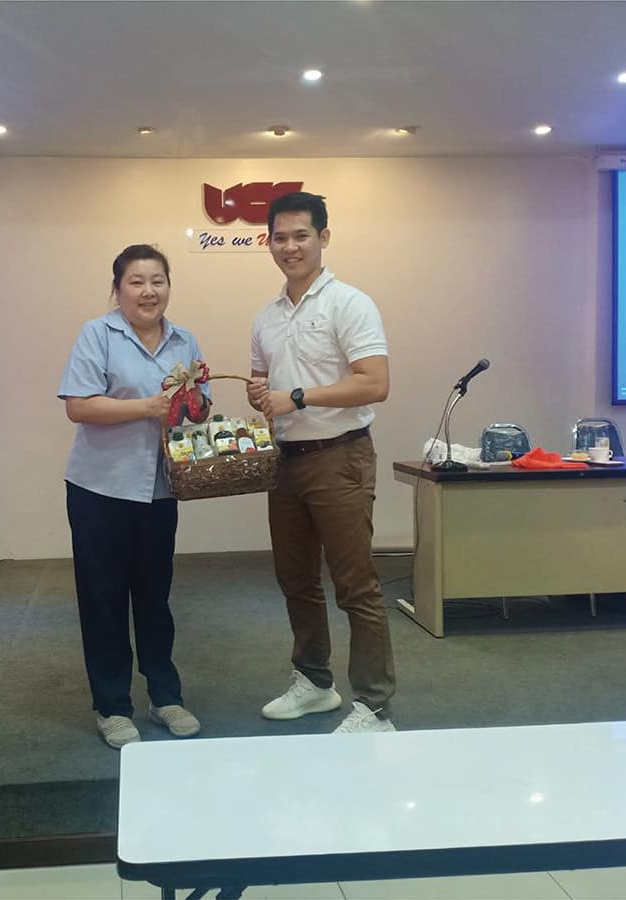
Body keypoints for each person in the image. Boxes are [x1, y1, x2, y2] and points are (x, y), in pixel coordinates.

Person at [247, 192, 397, 734]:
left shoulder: (349, 303)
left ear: (323, 238)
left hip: (340, 457)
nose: (290, 247)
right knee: (296, 580)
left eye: (301, 235)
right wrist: (261, 395)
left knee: (356, 585)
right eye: (280, 237)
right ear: (269, 243)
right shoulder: (266, 317)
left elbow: (374, 383)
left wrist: (298, 397)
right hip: (285, 462)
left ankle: (375, 707)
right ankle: (314, 682)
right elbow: (263, 383)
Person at [58, 244, 206, 749]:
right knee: (103, 600)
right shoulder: (97, 334)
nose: (148, 291)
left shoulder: (185, 341)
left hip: (160, 490)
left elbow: (195, 407)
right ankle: (113, 707)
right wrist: (146, 406)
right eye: (137, 282)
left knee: (155, 599)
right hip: (100, 488)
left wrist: (195, 407)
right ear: (118, 289)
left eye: (158, 281)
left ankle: (165, 697)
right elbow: (79, 406)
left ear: (169, 286)